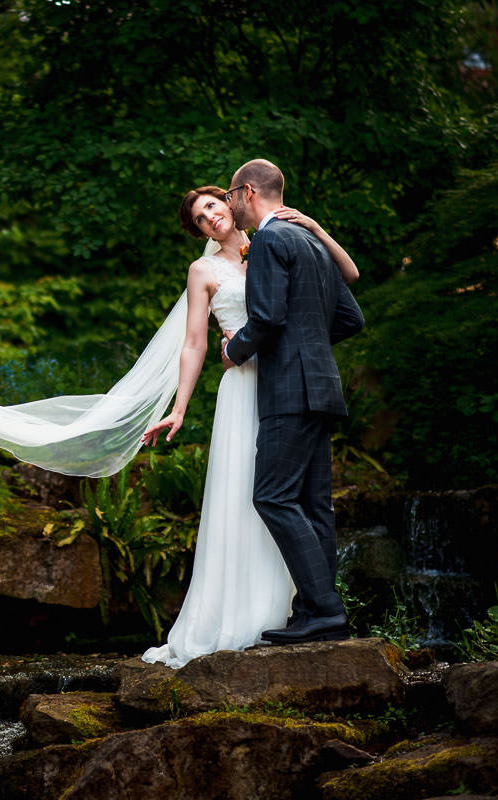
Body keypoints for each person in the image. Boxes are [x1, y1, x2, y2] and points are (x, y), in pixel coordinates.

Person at [137, 185, 359, 667]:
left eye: (212, 205)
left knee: (287, 498)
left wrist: (316, 228)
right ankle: (257, 610)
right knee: (249, 496)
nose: (209, 217)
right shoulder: (204, 270)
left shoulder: (276, 241)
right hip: (246, 390)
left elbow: (326, 295)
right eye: (198, 218)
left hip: (287, 384)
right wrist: (179, 407)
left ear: (234, 200)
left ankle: (308, 608)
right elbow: (195, 343)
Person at [220, 158, 365, 646]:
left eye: (230, 197)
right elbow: (351, 319)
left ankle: (323, 611)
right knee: (313, 505)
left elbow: (265, 317)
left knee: (273, 496)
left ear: (246, 192)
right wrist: (311, 346)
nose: (229, 206)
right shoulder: (310, 242)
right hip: (322, 387)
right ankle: (316, 610)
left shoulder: (268, 240)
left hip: (289, 389)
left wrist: (232, 351)